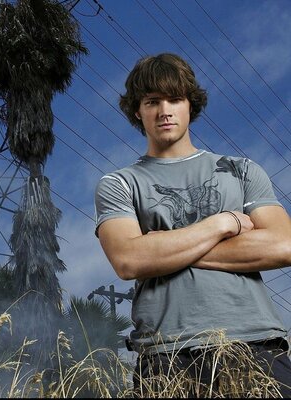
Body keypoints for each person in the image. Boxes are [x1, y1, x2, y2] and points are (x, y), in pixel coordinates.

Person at [94, 53, 291, 396]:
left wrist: (161, 246)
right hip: (166, 353)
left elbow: (283, 246)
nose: (165, 110)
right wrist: (222, 223)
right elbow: (128, 260)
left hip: (255, 342)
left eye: (175, 99)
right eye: (152, 101)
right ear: (137, 110)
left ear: (190, 105)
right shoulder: (119, 184)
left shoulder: (240, 170)